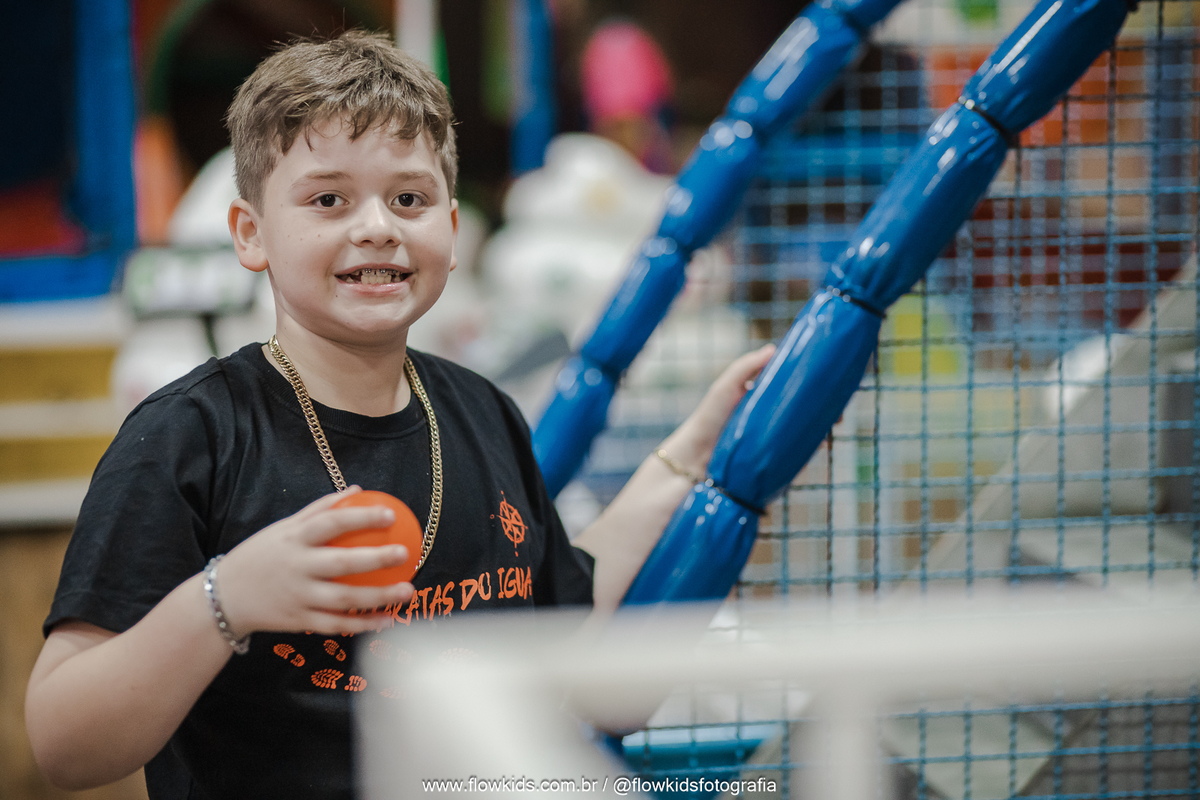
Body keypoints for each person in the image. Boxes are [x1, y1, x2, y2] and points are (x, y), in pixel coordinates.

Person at [25, 30, 773, 799]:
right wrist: (226, 599)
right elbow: (64, 745)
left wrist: (688, 456)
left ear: (451, 230)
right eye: (328, 199)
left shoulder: (482, 411)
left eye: (409, 199)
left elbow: (569, 629)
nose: (377, 226)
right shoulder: (189, 437)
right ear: (251, 234)